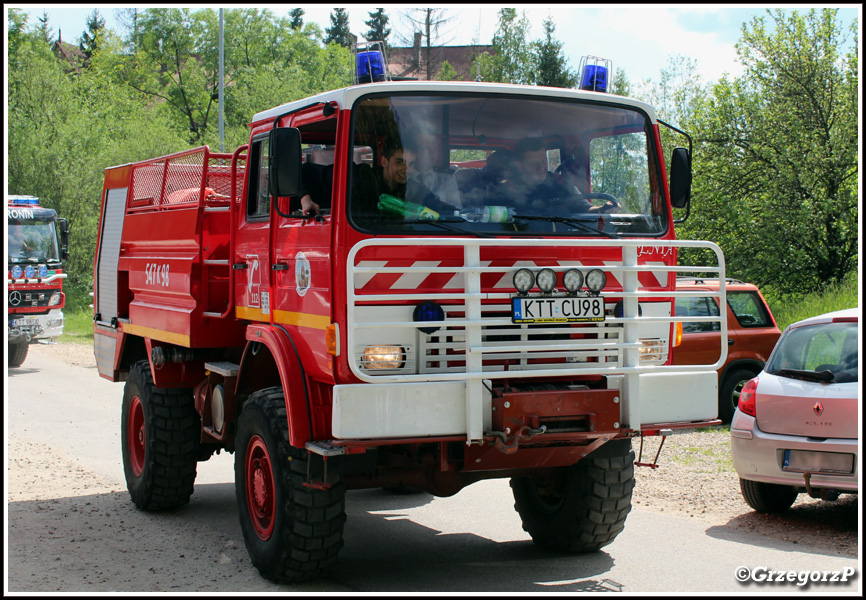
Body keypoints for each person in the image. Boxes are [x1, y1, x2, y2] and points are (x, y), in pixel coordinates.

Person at [506, 137, 619, 215]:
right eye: (533, 164)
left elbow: (585, 208)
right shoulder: (507, 190)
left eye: (543, 161)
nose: (541, 168)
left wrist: (604, 209)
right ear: (519, 166)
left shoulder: (559, 182)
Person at [403, 131, 463, 208]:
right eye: (424, 147)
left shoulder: (446, 178)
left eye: (434, 148)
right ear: (414, 150)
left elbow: (456, 211)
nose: (431, 152)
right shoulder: (402, 176)